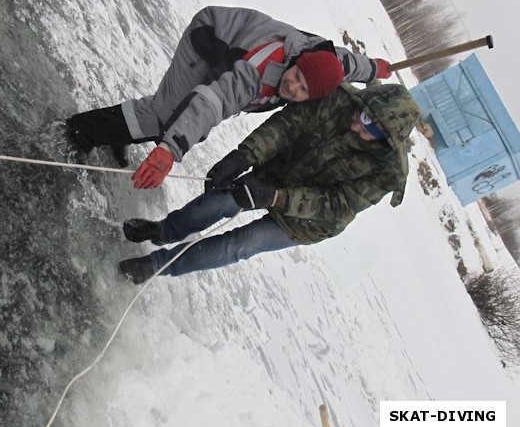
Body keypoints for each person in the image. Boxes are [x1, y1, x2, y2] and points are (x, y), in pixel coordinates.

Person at [117, 82, 420, 284]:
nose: (355, 124)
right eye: (360, 114)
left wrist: (276, 199)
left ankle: (156, 265)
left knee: (239, 245)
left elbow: (338, 203)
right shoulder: (338, 99)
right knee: (220, 200)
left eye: (367, 128)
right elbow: (287, 125)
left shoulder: (386, 172)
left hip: (306, 220)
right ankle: (163, 231)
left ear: (386, 138)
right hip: (276, 172)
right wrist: (243, 156)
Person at [65, 6, 393, 189]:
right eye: (294, 77)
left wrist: (375, 68)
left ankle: (119, 133)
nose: (293, 88)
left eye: (303, 90)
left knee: (175, 119)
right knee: (165, 117)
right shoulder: (262, 69)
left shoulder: (330, 62)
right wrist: (171, 149)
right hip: (210, 40)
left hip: (230, 58)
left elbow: (350, 64)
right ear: (292, 63)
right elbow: (215, 101)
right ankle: (82, 131)